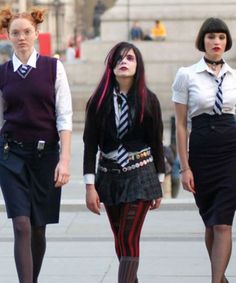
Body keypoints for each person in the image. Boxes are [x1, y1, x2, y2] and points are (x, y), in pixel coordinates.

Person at [0, 7, 72, 283]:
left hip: (45, 156)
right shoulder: (3, 73)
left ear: (36, 34)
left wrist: (64, 160)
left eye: (26, 32)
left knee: (38, 228)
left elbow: (65, 117)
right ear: (7, 35)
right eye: (15, 33)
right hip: (10, 155)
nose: (21, 38)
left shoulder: (53, 68)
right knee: (21, 225)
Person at [83, 41, 165, 283]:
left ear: (138, 65)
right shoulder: (97, 102)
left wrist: (159, 182)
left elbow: (157, 143)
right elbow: (89, 146)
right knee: (120, 239)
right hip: (108, 177)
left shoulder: (149, 100)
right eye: (118, 58)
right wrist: (90, 187)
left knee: (129, 238)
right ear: (111, 66)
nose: (123, 62)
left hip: (141, 175)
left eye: (129, 58)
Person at [172, 17, 235, 283]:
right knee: (210, 221)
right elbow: (181, 126)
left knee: (223, 223)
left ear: (227, 41)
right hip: (201, 152)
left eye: (221, 37)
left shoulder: (235, 77)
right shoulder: (186, 75)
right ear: (203, 41)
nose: (216, 42)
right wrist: (184, 167)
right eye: (211, 37)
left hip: (231, 150)